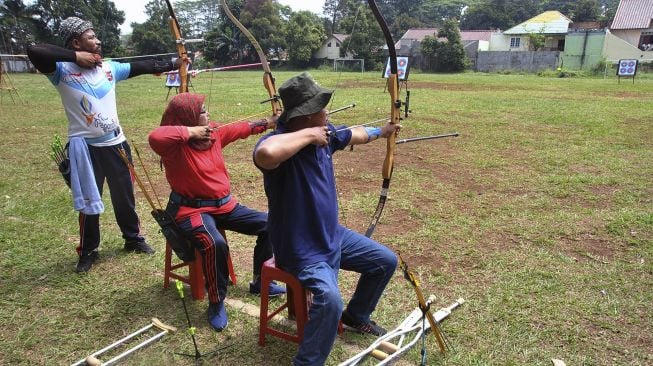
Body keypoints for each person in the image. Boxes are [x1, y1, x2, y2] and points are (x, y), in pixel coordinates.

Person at [253, 72, 399, 366]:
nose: (327, 111)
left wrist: (382, 131)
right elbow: (265, 154)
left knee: (385, 261)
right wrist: (310, 135)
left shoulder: (326, 136)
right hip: (301, 249)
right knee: (330, 300)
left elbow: (356, 133)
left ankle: (357, 317)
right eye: (322, 106)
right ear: (305, 115)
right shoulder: (278, 143)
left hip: (332, 235)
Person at [26, 17, 180, 272]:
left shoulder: (109, 68)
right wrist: (76, 57)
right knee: (88, 200)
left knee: (125, 197)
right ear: (76, 42)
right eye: (91, 37)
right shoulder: (61, 71)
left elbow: (143, 65)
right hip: (85, 149)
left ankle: (132, 239)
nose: (97, 41)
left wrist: (175, 63)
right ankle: (88, 250)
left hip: (116, 144)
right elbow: (35, 50)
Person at [149, 92, 286, 331]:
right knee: (215, 243)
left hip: (224, 205)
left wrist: (270, 122)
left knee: (270, 223)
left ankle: (260, 282)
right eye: (202, 111)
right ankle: (216, 301)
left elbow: (242, 128)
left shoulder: (214, 133)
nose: (208, 114)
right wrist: (191, 132)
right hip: (190, 210)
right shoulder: (173, 146)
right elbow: (154, 136)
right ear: (188, 117)